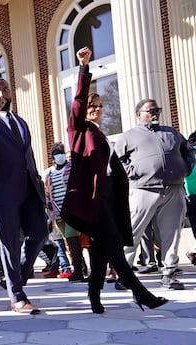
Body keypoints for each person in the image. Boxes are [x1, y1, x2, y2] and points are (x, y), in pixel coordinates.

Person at [60, 47, 168, 313]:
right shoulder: (78, 130)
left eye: (99, 106)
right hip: (93, 200)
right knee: (115, 251)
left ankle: (94, 298)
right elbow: (77, 101)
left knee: (101, 252)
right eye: (91, 106)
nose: (95, 109)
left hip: (108, 197)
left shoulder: (100, 134)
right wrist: (84, 68)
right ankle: (143, 295)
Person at [0, 78, 48, 315]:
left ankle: (15, 277)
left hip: (29, 189)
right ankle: (17, 297)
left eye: (5, 89)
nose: (1, 93)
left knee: (40, 234)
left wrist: (40, 186)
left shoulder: (21, 122)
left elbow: (29, 157)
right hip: (2, 192)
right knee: (9, 243)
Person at [114, 96, 194, 290]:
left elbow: (188, 151)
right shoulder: (128, 136)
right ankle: (124, 274)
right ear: (138, 115)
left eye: (157, 110)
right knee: (132, 232)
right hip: (143, 190)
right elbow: (116, 160)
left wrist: (186, 167)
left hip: (173, 190)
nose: (155, 114)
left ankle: (169, 273)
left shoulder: (172, 133)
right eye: (150, 111)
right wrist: (133, 174)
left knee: (171, 233)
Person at [43, 142, 83, 281]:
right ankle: (79, 267)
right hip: (57, 212)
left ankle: (78, 269)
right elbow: (47, 192)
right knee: (67, 240)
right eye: (56, 153)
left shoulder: (72, 167)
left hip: (72, 210)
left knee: (73, 239)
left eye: (61, 152)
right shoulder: (48, 173)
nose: (59, 156)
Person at [184, 131, 196, 265]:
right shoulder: (188, 156)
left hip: (190, 196)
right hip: (191, 196)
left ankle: (193, 252)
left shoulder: (187, 156)